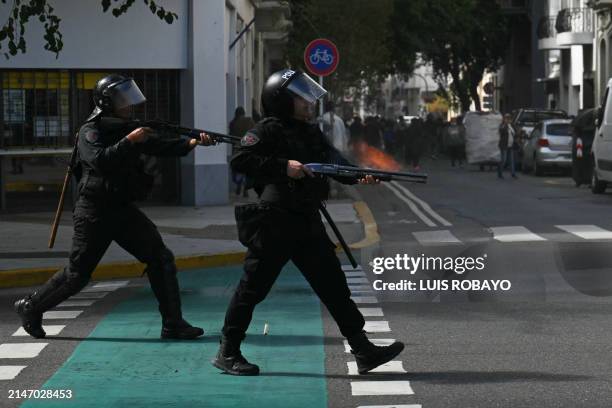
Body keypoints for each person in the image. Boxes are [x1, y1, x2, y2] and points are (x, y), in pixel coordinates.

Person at [212, 69, 404, 376]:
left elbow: (334, 163)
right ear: (281, 100)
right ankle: (228, 351)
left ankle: (362, 348)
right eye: (300, 98)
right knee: (252, 289)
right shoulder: (267, 130)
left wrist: (360, 175)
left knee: (333, 285)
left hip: (306, 219)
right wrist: (283, 167)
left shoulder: (310, 131)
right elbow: (239, 160)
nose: (307, 103)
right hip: (275, 221)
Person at [14, 74, 213, 340]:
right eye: (122, 100)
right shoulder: (90, 131)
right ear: (106, 102)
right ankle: (31, 307)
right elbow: (100, 161)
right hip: (94, 211)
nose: (128, 105)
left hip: (122, 209)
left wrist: (193, 142)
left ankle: (173, 323)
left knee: (160, 258)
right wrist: (130, 140)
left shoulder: (126, 128)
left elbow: (160, 146)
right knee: (77, 274)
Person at [229, 107, 256, 197]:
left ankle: (238, 184)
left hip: (237, 149)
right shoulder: (249, 121)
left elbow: (230, 135)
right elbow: (255, 133)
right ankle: (245, 189)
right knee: (247, 170)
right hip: (248, 149)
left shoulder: (233, 123)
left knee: (237, 169)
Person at [498, 113, 517, 179]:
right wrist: (506, 124)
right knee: (504, 159)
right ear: (504, 119)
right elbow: (501, 131)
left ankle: (513, 174)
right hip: (504, 146)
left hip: (511, 145)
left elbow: (515, 132)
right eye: (506, 118)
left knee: (511, 160)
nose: (508, 120)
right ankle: (500, 172)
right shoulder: (502, 125)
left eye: (509, 118)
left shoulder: (512, 126)